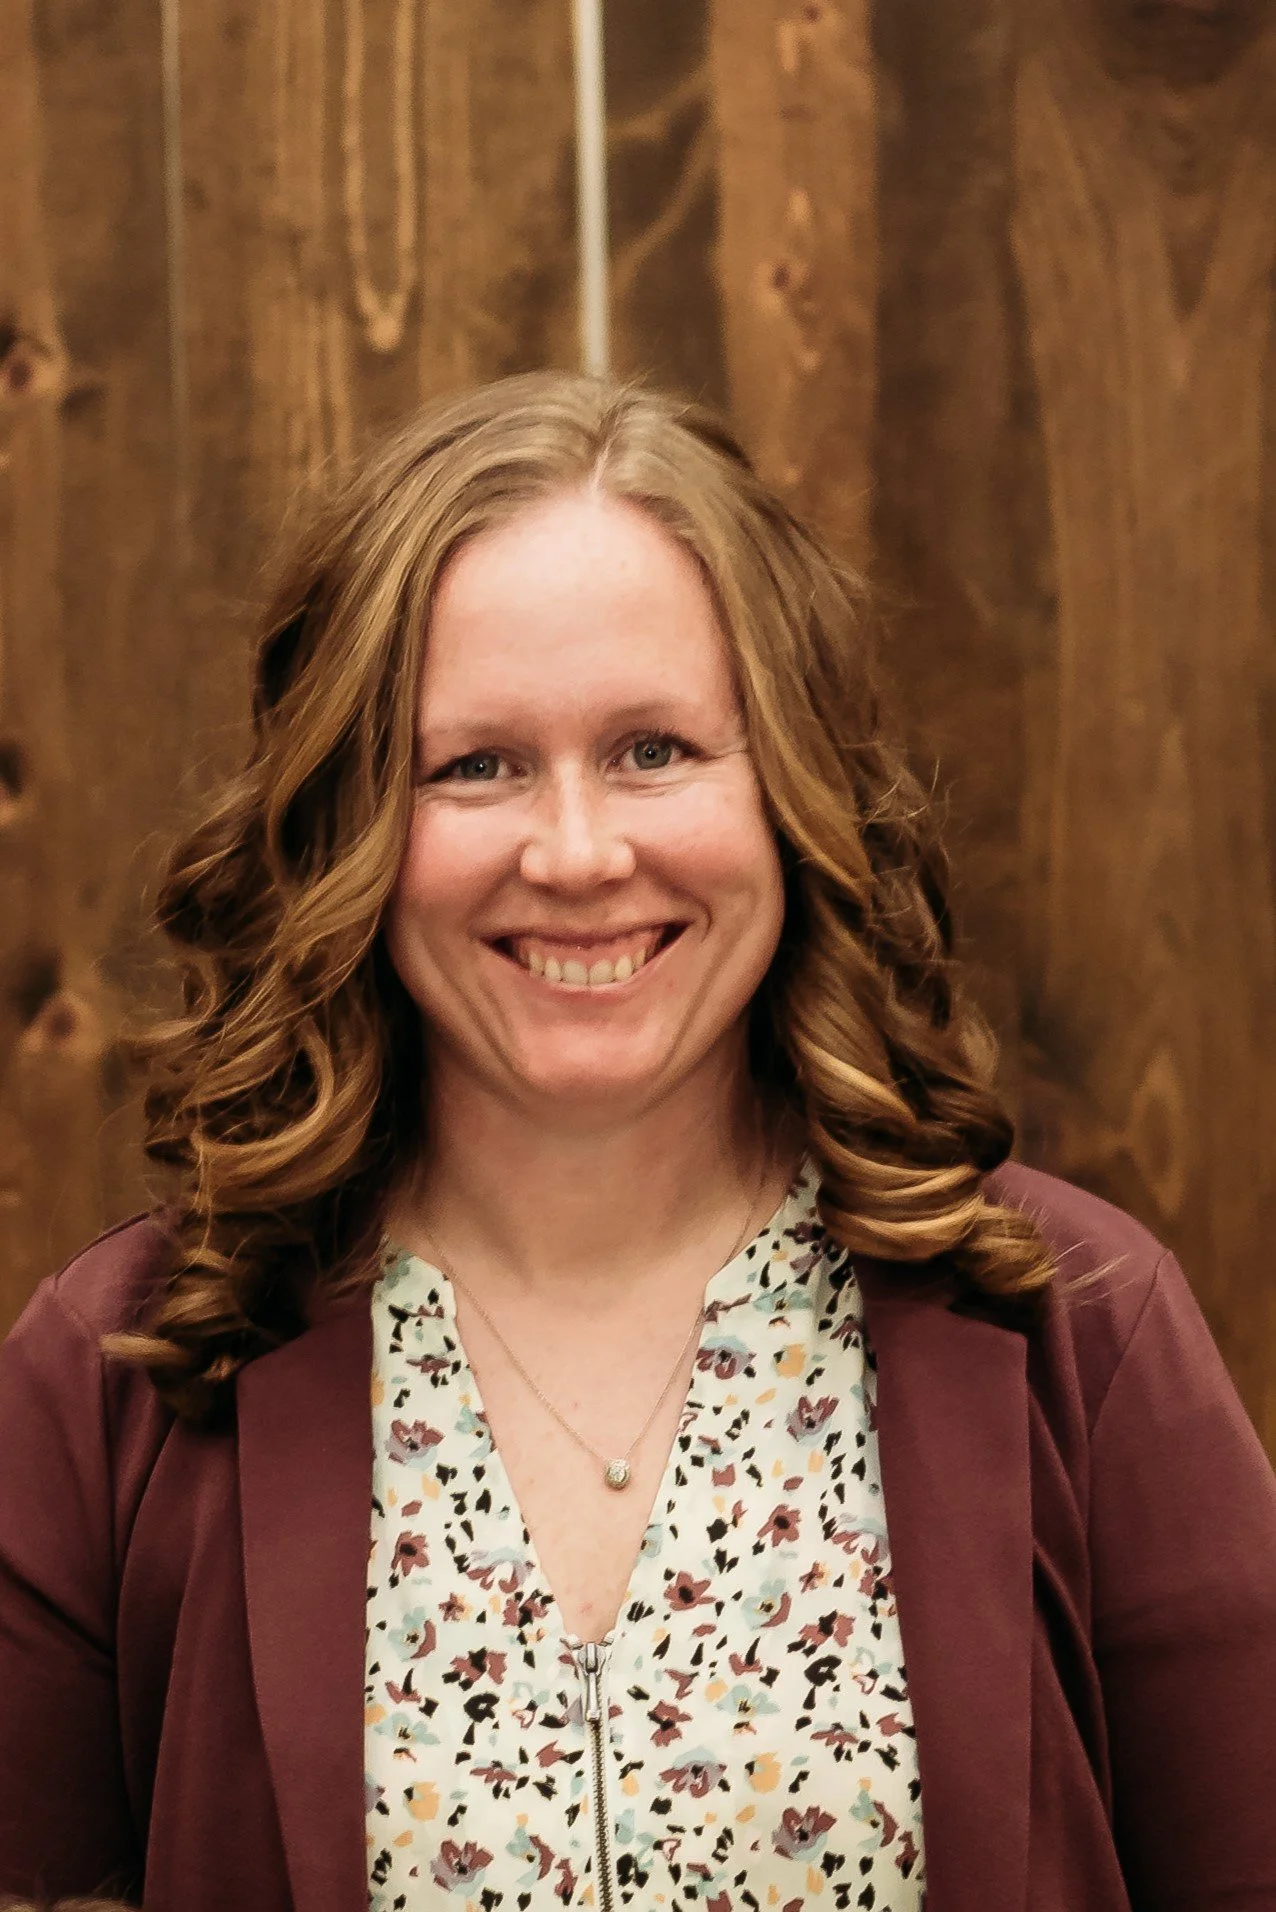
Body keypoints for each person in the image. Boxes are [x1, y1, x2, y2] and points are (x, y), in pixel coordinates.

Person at [1, 372, 1274, 1912]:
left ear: (790, 788)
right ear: (350, 826)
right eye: (474, 764)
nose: (580, 852)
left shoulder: (1084, 1331)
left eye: (655, 749)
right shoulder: (116, 1375)